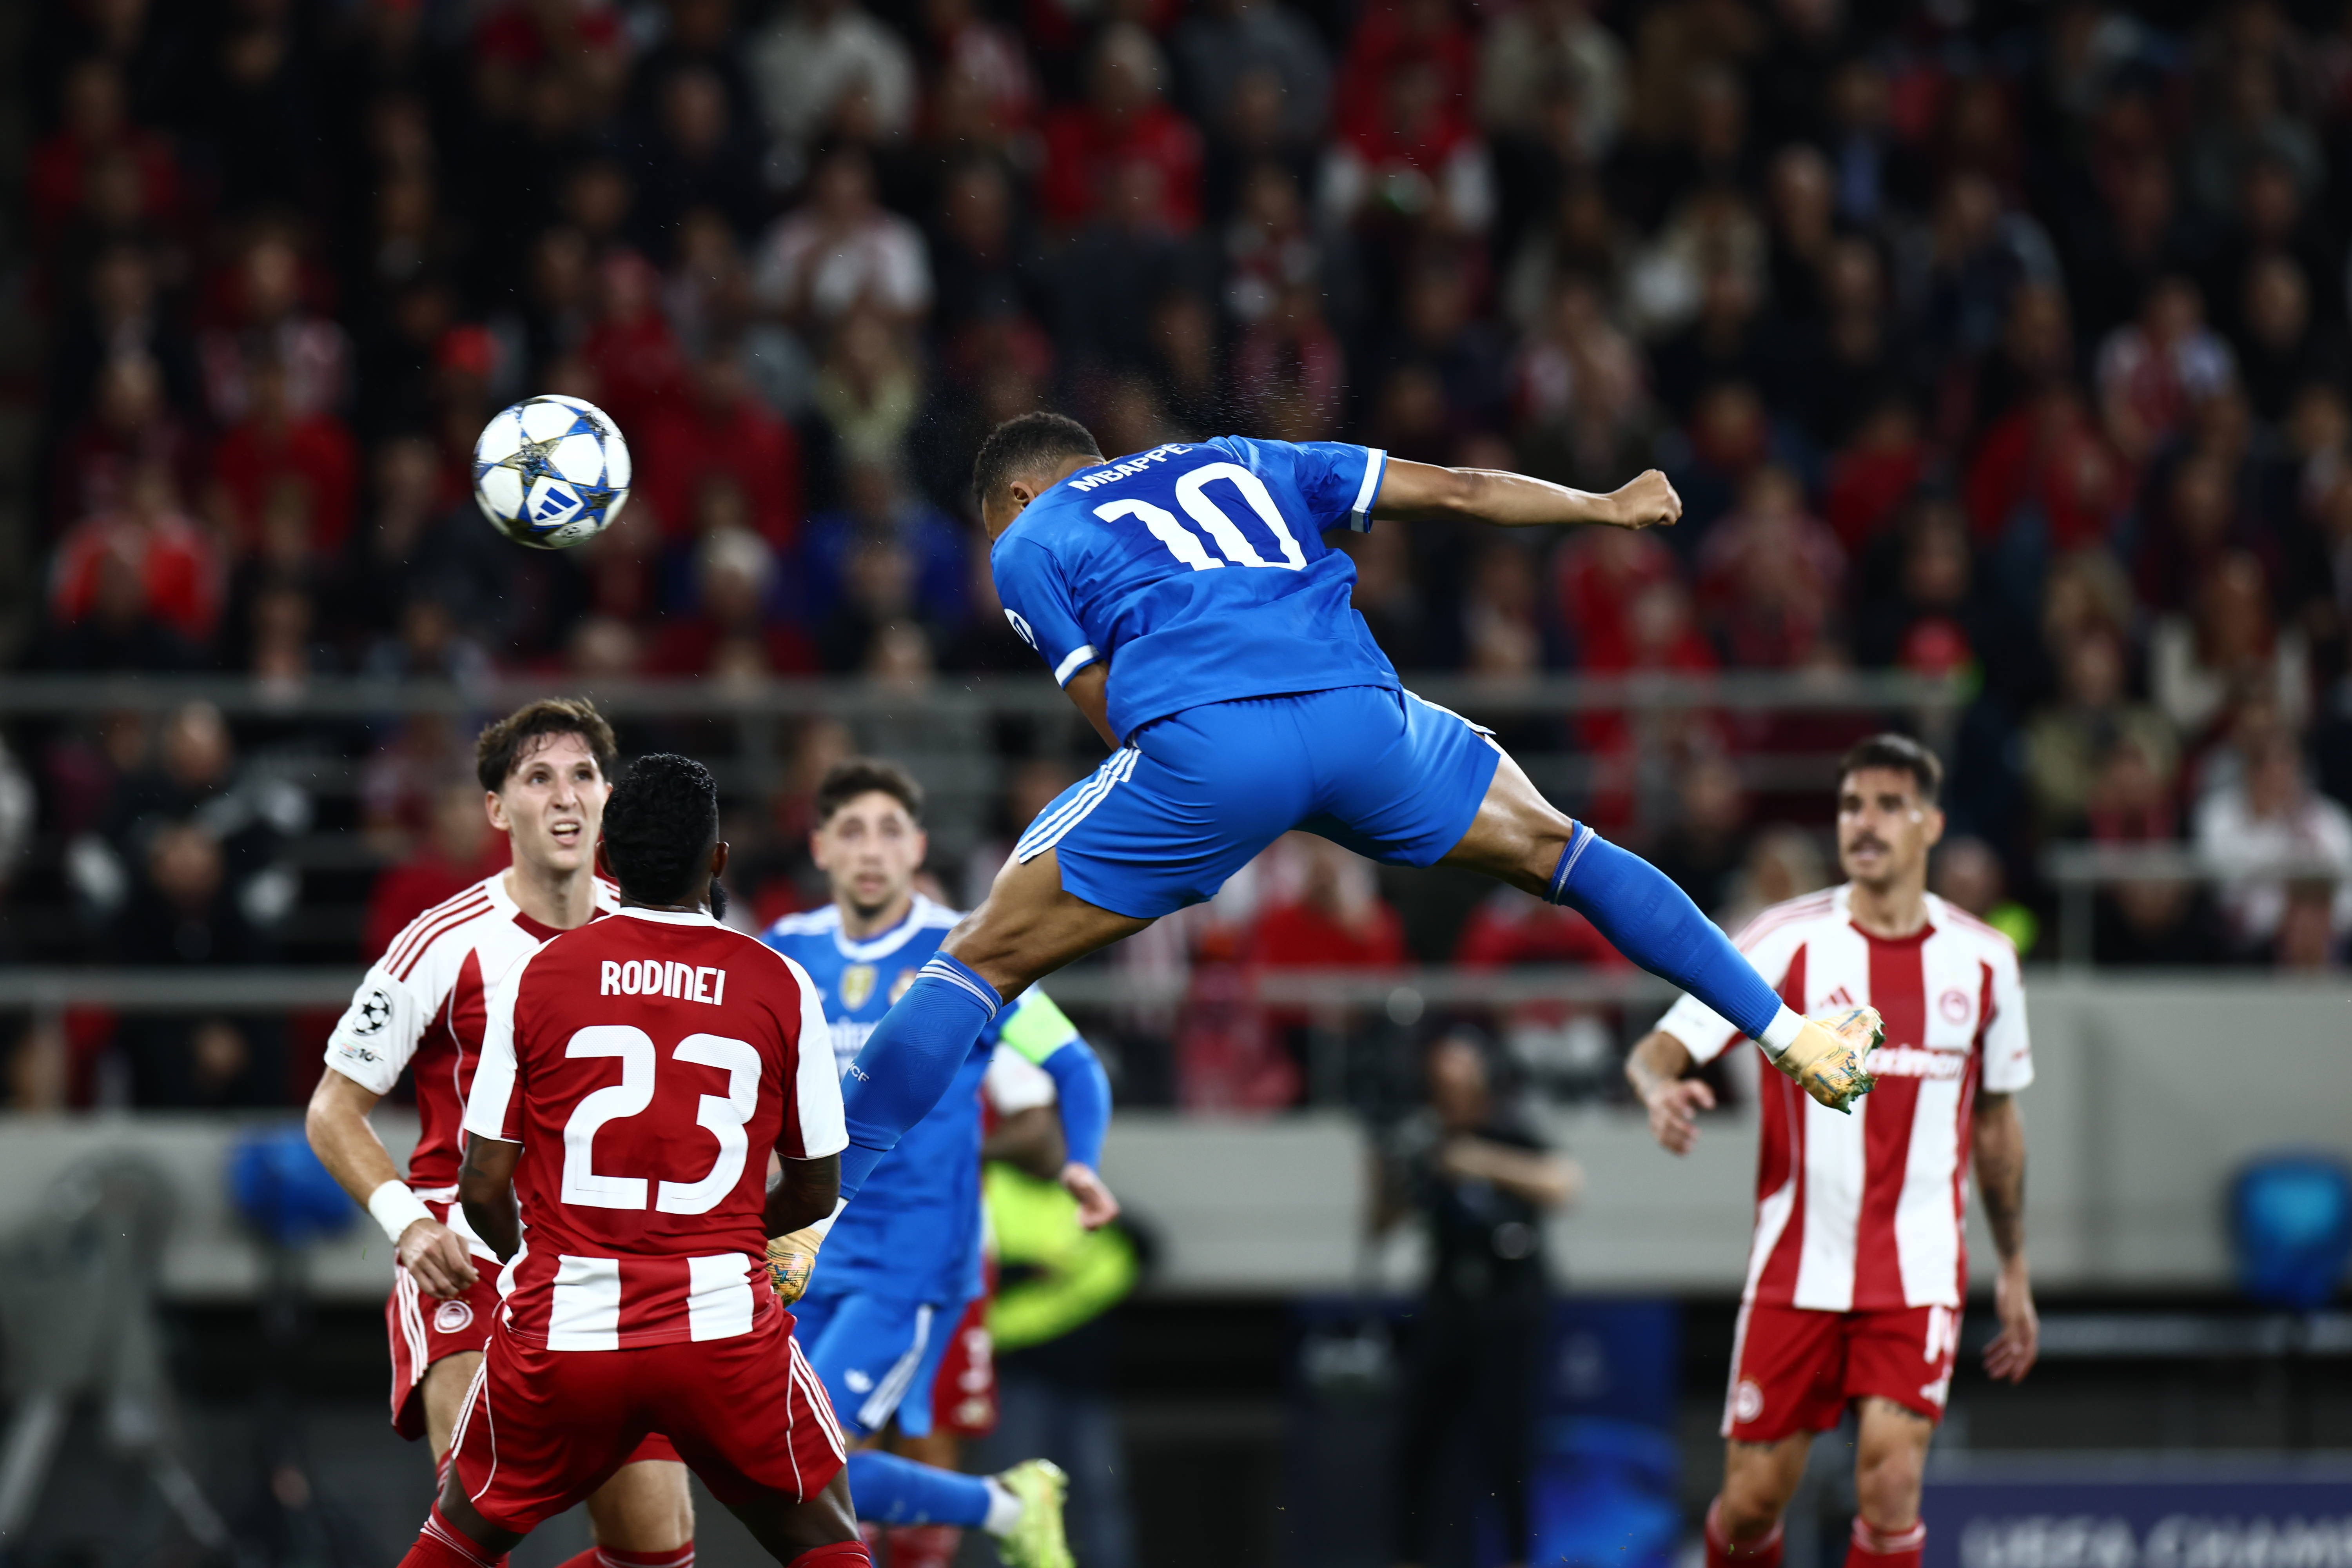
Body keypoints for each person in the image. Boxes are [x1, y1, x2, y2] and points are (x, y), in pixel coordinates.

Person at [829, 412, 1880, 1227]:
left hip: (1210, 749)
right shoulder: (1243, 456)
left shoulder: (1030, 536)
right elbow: (1461, 489)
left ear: (1017, 495)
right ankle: (1794, 1035)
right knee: (1565, 850)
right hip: (1362, 721)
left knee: (978, 957)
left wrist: (1205, 812)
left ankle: (816, 1212)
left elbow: (1107, 709)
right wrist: (1604, 506)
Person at [392, 753, 862, 1568]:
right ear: (719, 861)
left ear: (605, 857)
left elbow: (482, 1185)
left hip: (567, 1326)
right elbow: (818, 1187)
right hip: (720, 1329)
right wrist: (731, 1235)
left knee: (458, 1538)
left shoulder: (539, 974)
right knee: (826, 1542)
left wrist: (534, 1260)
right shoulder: (778, 982)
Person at [1622, 735, 2038, 1568]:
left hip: (1918, 1268)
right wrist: (1656, 1086)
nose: (1866, 823)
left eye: (1889, 805)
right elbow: (1659, 1048)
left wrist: (2015, 1266)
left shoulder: (1986, 961)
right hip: (1798, 1265)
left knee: (1891, 1482)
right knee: (1750, 1507)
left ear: (1931, 824)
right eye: (1852, 806)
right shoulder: (1784, 941)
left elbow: (1996, 1122)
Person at [306, 700, 699, 1568]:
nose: (565, 796)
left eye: (584, 775)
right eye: (538, 777)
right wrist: (410, 1226)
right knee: (476, 1520)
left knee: (657, 1552)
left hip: (613, 1269)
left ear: (609, 798)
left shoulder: (668, 933)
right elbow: (332, 1109)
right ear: (496, 807)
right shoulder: (440, 942)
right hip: (471, 1254)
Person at [762, 758, 1109, 1568]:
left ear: (918, 847)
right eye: (852, 830)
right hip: (805, 1248)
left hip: (914, 1258)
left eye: (890, 831)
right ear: (820, 847)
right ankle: (1010, 1505)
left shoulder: (968, 946)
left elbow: (1075, 1065)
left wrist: (1083, 1163)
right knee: (776, 1462)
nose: (871, 849)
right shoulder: (786, 951)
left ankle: (1001, 1507)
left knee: (814, 1457)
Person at [1376, 1030, 1579, 1568]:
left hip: (1510, 1303)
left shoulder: (1510, 1131)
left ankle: (1517, 1557)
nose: (1453, 1089)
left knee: (1507, 1446)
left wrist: (1480, 1161)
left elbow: (1564, 1184)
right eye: (1442, 1079)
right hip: (1448, 1301)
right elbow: (1382, 1224)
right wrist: (1387, 1172)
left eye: (1462, 1075)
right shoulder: (1424, 1141)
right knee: (1419, 1443)